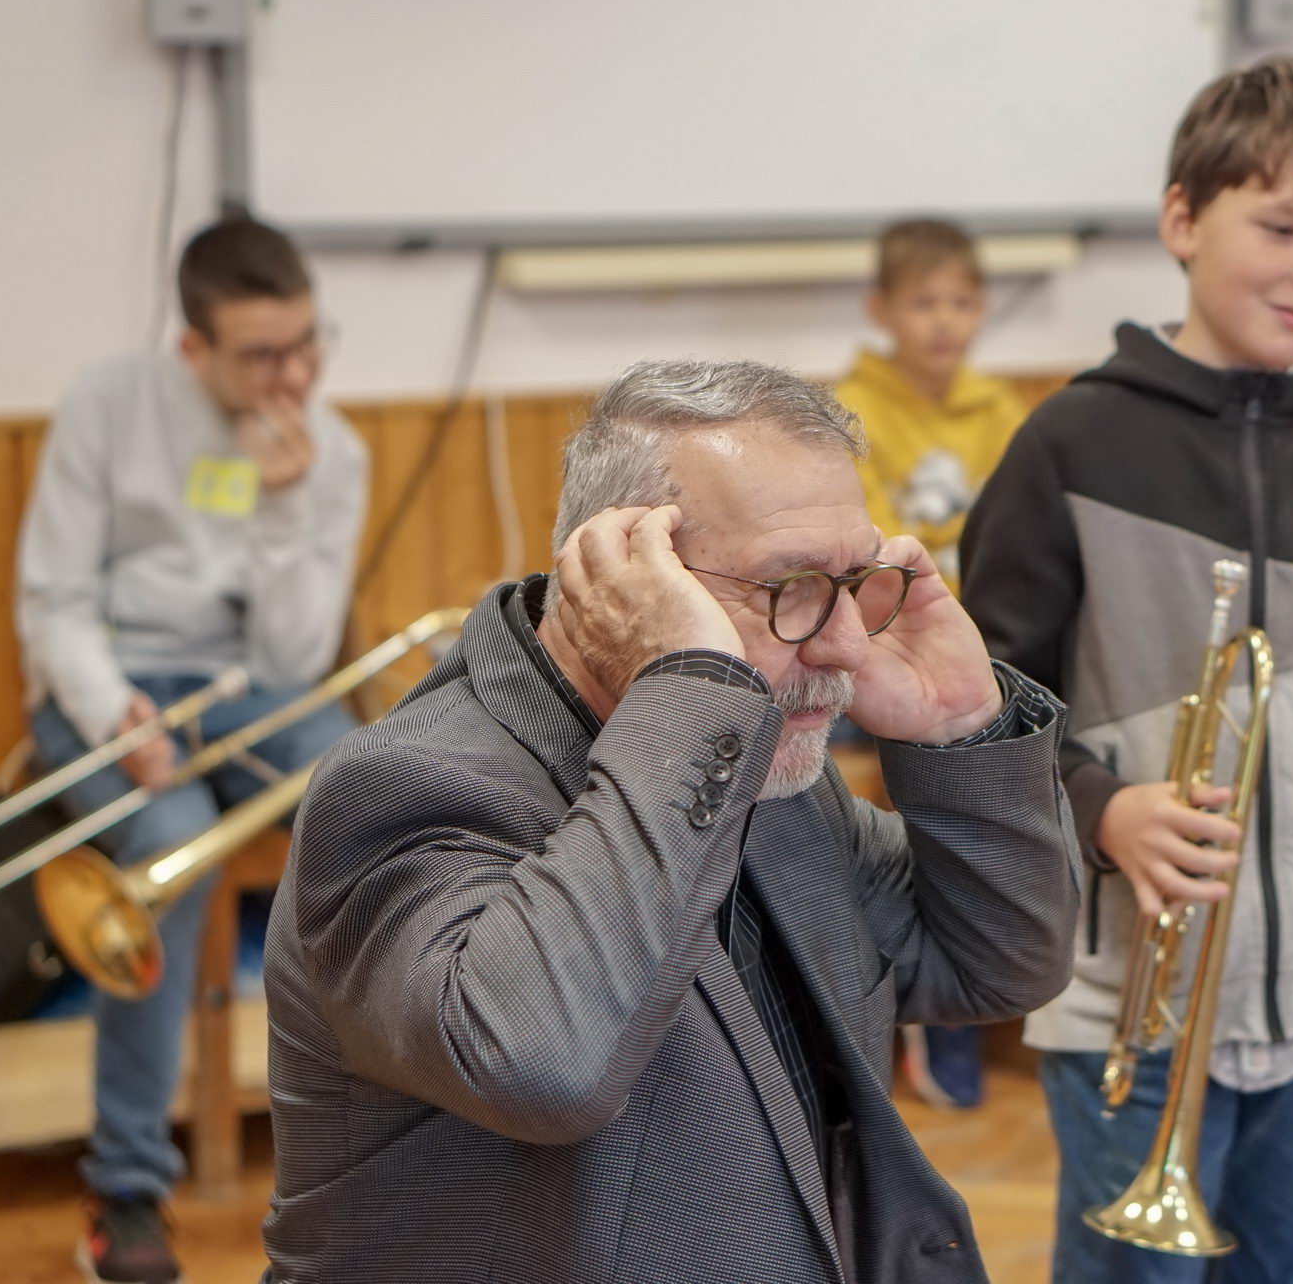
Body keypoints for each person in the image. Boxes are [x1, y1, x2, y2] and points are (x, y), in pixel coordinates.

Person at [258, 359, 1080, 1283]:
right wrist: (690, 695)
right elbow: (543, 1066)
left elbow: (997, 962)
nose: (847, 644)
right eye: (790, 586)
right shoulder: (405, 786)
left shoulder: (765, 765)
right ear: (621, 575)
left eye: (854, 582)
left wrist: (962, 728)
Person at [961, 56, 1293, 1284]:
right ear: (1183, 218)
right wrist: (1102, 810)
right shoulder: (1072, 445)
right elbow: (970, 715)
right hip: (1131, 996)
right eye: (1283, 229)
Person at [15, 215, 366, 1284]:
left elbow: (295, 658)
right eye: (261, 355)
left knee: (377, 808)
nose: (292, 376)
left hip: (252, 686)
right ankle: (125, 1186)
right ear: (192, 349)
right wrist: (111, 709)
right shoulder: (109, 405)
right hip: (107, 685)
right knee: (171, 851)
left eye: (306, 344)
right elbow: (53, 600)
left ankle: (386, 1151)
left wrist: (286, 505)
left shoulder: (332, 449)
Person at [835, 218, 1032, 1110]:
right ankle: (931, 998)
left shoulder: (1003, 413)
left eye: (961, 302)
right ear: (882, 310)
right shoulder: (850, 412)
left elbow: (1023, 545)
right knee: (931, 753)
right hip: (875, 652)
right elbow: (868, 561)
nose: (944, 321)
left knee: (1022, 740)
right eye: (923, 303)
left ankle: (994, 976)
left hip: (983, 644)